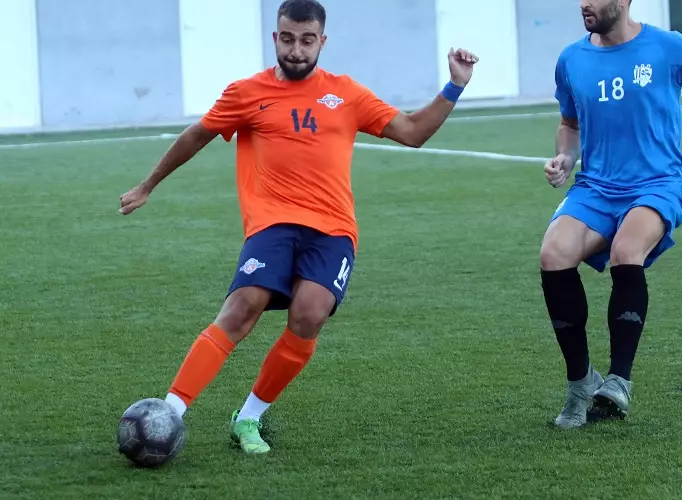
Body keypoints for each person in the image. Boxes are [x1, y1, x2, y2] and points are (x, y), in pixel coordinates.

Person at [118, 0, 478, 454]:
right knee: (242, 307)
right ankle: (169, 412)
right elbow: (197, 135)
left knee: (309, 314)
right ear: (275, 38)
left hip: (333, 230)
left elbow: (412, 132)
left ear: (322, 41)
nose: (296, 49)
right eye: (287, 39)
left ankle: (248, 418)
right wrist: (148, 184)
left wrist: (455, 85)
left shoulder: (346, 93)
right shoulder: (246, 92)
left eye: (307, 40)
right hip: (272, 225)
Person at [540, 0, 682, 429]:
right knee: (553, 254)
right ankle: (581, 383)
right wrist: (565, 157)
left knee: (626, 249)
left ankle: (618, 380)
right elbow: (569, 124)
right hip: (596, 187)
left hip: (657, 183)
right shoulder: (571, 59)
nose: (584, 3)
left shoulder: (668, 47)